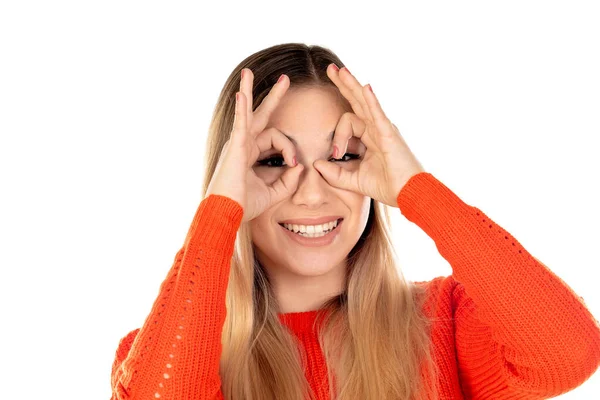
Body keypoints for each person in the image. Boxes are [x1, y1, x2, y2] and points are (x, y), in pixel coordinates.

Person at [109, 43, 600, 400]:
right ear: (232, 178)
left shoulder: (445, 321)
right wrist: (219, 217)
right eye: (275, 161)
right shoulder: (166, 350)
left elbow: (568, 356)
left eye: (341, 157)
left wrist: (416, 189)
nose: (314, 191)